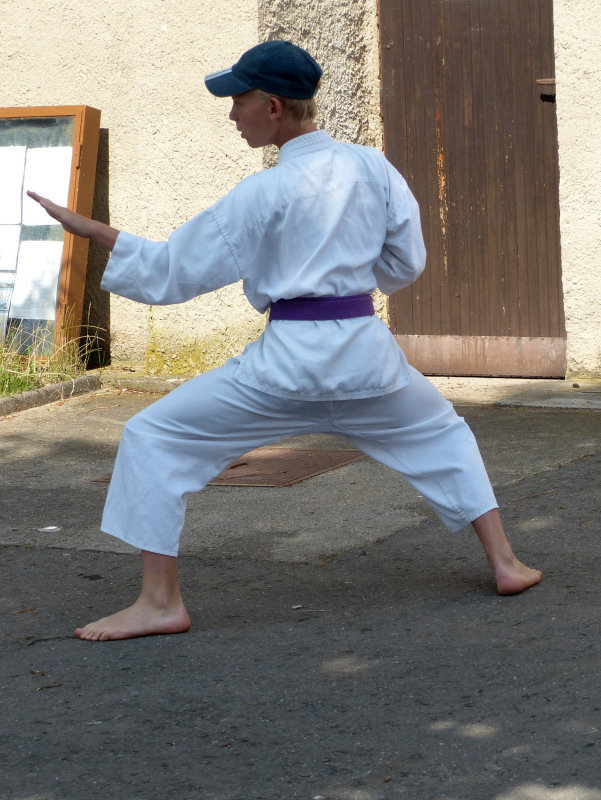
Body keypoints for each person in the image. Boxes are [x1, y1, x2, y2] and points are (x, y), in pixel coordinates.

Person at [28, 40, 541, 641]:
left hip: (285, 369)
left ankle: (159, 601)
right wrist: (349, 280)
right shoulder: (372, 167)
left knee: (154, 436)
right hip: (367, 359)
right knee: (442, 432)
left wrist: (92, 230)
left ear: (272, 107)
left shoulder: (262, 193)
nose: (231, 114)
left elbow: (171, 271)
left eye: (237, 100)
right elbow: (406, 262)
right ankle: (506, 563)